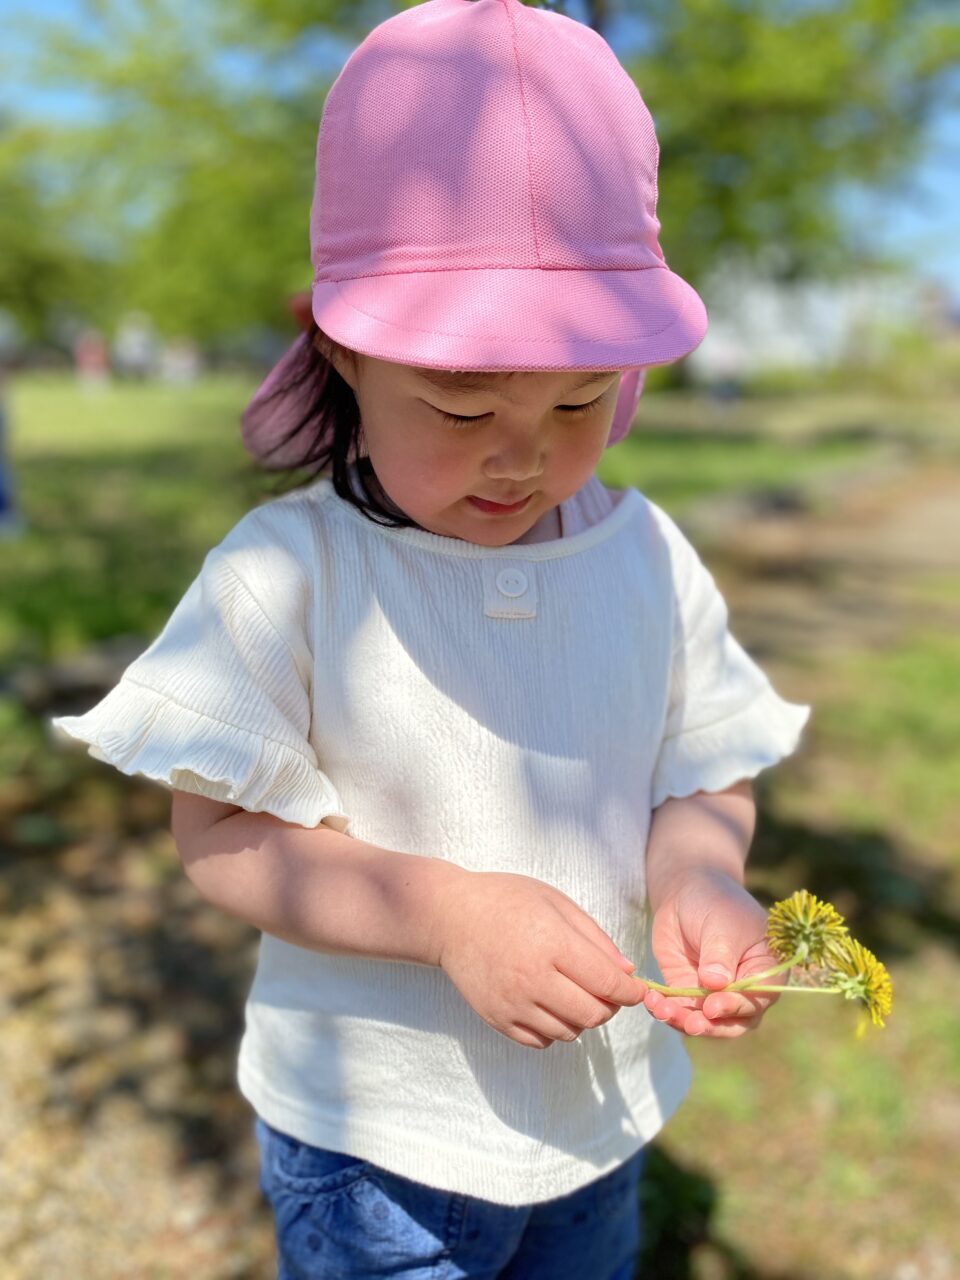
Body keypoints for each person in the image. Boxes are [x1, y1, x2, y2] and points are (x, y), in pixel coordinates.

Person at [50, 2, 811, 1275]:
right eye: (460, 407)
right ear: (344, 350)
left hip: (598, 1123)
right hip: (377, 1142)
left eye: (581, 399)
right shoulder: (290, 572)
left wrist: (699, 874)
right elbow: (221, 832)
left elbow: (702, 765)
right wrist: (447, 914)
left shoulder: (642, 554)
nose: (522, 455)